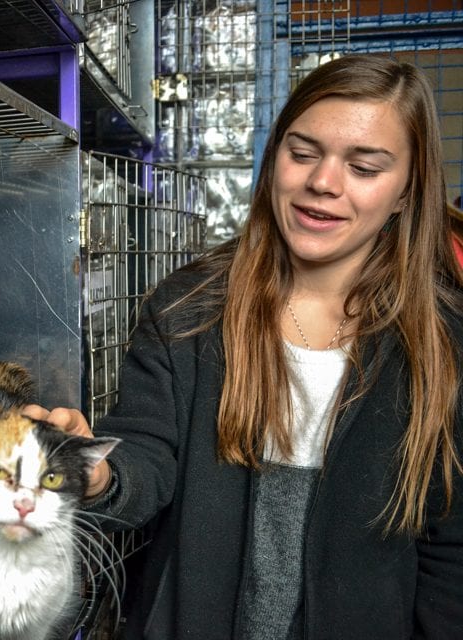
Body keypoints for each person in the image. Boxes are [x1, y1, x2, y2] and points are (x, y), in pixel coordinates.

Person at [26, 54, 463, 638]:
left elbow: (450, 544)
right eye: (302, 152)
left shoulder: (440, 341)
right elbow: (148, 454)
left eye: (364, 167)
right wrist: (98, 474)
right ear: (274, 156)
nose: (323, 183)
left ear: (408, 191)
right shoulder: (189, 309)